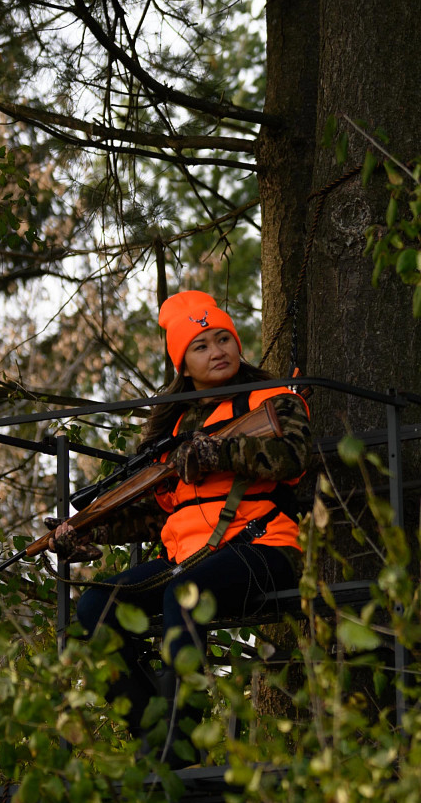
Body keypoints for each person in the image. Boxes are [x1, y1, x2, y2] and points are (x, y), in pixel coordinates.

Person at [63, 290, 310, 744]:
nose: (217, 351)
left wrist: (219, 452)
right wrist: (88, 530)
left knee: (184, 592)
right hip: (190, 560)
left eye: (223, 339)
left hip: (264, 548)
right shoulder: (170, 429)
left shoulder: (272, 399)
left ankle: (180, 738)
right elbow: (158, 515)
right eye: (201, 346)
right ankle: (154, 733)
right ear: (182, 364)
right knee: (94, 606)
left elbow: (291, 457)